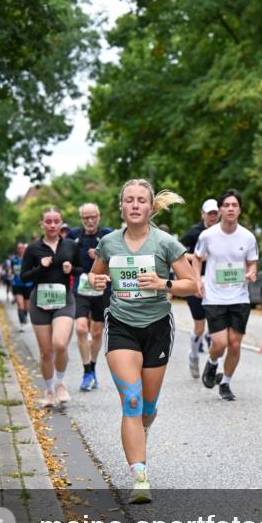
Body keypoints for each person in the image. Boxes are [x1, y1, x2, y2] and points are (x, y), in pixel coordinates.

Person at [88, 179, 197, 503]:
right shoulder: (108, 243)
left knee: (147, 408)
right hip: (121, 324)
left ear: (151, 207)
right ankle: (140, 476)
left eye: (141, 201)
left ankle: (143, 428)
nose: (135, 205)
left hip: (157, 327)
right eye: (129, 200)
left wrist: (163, 283)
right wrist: (95, 280)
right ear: (121, 206)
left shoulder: (166, 243)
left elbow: (191, 285)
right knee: (131, 401)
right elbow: (95, 277)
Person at [194, 189, 258, 402]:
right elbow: (197, 258)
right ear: (220, 210)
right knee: (219, 343)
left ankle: (226, 382)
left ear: (239, 210)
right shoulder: (208, 235)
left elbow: (252, 263)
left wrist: (251, 272)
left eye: (235, 205)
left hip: (240, 297)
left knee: (235, 344)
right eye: (227, 205)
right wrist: (197, 281)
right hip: (214, 297)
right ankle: (212, 364)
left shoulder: (248, 237)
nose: (230, 208)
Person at [20, 208, 83, 408]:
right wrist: (41, 267)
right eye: (48, 221)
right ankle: (48, 390)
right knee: (46, 352)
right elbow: (23, 276)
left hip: (64, 300)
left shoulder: (71, 246)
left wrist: (71, 269)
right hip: (40, 302)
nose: (53, 225)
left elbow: (83, 269)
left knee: (60, 344)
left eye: (56, 221)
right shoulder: (33, 249)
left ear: (61, 223)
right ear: (42, 224)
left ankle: (60, 383)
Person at [67, 203, 113, 392]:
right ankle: (86, 371)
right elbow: (68, 260)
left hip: (102, 288)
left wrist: (101, 256)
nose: (89, 221)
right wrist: (73, 269)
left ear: (99, 216)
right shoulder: (74, 236)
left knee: (96, 333)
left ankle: (92, 368)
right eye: (85, 217)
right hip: (82, 289)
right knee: (80, 329)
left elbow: (117, 260)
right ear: (81, 219)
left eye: (92, 216)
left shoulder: (108, 235)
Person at [179, 198, 220, 378]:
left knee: (216, 328)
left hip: (216, 284)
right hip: (196, 282)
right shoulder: (194, 232)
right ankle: (194, 356)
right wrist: (197, 258)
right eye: (209, 213)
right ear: (203, 214)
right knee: (199, 328)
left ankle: (213, 365)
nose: (212, 217)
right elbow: (177, 253)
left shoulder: (223, 232)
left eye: (215, 213)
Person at [8, 242, 33, 332]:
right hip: (17, 284)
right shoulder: (13, 260)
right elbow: (11, 270)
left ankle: (24, 317)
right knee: (20, 304)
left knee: (27, 307)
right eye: (19, 248)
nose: (21, 249)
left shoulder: (29, 259)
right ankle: (22, 323)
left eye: (22, 248)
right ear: (17, 249)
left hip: (28, 285)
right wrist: (10, 273)